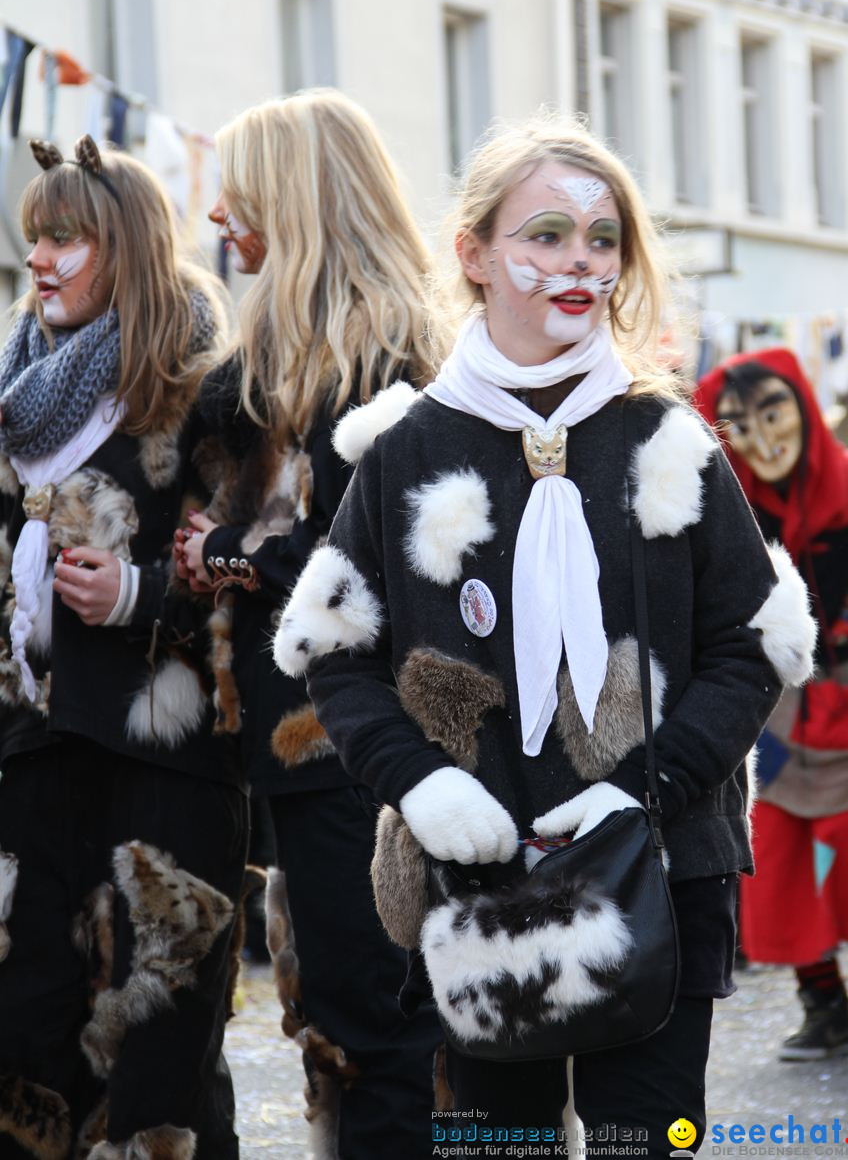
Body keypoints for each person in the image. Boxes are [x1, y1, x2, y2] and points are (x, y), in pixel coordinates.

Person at [273, 116, 817, 1158]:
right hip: (478, 896)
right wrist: (422, 786)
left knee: (642, 1147)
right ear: (474, 256)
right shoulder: (405, 448)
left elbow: (755, 644)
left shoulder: (670, 439)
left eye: (603, 240)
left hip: (660, 874)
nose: (581, 262)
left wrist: (644, 786)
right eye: (549, 233)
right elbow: (334, 652)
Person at [175, 89, 443, 1158]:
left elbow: (373, 548)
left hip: (363, 749)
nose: (221, 225)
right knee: (344, 1021)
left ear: (295, 204)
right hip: (303, 753)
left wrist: (232, 553)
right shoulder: (280, 367)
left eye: (238, 198)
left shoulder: (389, 366)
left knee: (387, 1030)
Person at [0, 137, 247, 1160]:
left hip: (163, 771)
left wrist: (141, 591)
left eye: (68, 238)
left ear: (130, 248)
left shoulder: (208, 391)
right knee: (25, 1043)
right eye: (33, 241)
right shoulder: (15, 401)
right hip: (31, 760)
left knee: (161, 1060)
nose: (42, 261)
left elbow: (261, 580)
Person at [695, 349, 848, 1062]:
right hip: (775, 717)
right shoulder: (727, 514)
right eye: (738, 426)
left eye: (773, 412)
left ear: (805, 408)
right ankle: (824, 1006)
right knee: (778, 863)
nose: (764, 437)